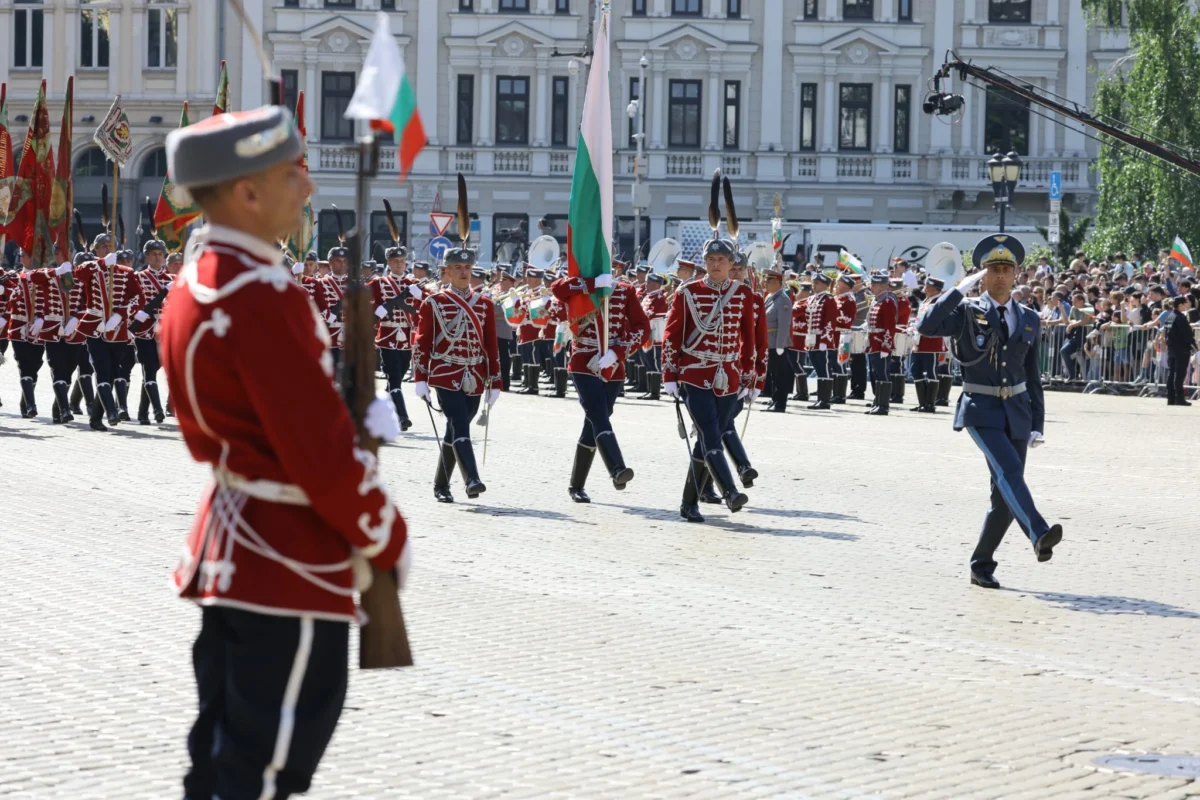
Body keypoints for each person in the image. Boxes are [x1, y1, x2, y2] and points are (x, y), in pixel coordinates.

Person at [157, 105, 410, 800]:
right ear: (246, 192)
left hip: (234, 545)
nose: (308, 189)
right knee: (263, 773)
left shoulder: (199, 282)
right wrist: (384, 535)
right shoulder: (263, 292)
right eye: (292, 173)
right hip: (289, 559)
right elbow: (318, 456)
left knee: (219, 764)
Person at [917, 234, 1062, 589]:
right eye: (993, 269)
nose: (1000, 275)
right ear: (982, 275)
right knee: (1010, 471)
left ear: (1016, 275)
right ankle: (1039, 532)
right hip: (980, 408)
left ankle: (981, 564)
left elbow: (1032, 374)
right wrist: (955, 291)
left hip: (1017, 411)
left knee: (1002, 497)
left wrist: (1038, 423)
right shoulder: (965, 311)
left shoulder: (1028, 317)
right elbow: (926, 326)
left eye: (1006, 269)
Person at [662, 235, 757, 523]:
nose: (715, 265)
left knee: (705, 442)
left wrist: (750, 378)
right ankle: (730, 492)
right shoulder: (687, 292)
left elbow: (748, 339)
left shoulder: (743, 294)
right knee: (711, 433)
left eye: (721, 260)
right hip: (694, 374)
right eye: (711, 260)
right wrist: (670, 375)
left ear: (731, 264)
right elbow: (671, 335)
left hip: (728, 377)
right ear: (705, 263)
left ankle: (688, 503)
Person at [411, 219, 502, 504]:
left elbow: (491, 346)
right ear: (447, 272)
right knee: (459, 424)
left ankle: (441, 484)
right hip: (444, 373)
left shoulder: (485, 304)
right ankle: (472, 479)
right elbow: (422, 341)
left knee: (454, 430)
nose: (464, 273)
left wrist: (495, 380)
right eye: (458, 269)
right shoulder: (434, 303)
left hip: (475, 374)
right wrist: (420, 378)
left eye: (467, 269)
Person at [550, 263, 649, 502]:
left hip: (613, 364)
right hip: (584, 360)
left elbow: (642, 327)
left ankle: (576, 485)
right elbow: (557, 289)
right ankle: (617, 469)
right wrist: (592, 285)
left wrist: (618, 351)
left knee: (593, 423)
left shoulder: (625, 291)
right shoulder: (578, 287)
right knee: (598, 413)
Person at [368, 245, 421, 431]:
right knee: (395, 378)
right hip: (387, 337)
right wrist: (378, 310)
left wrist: (421, 295)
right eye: (395, 261)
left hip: (407, 338)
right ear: (389, 263)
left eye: (402, 261)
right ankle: (402, 416)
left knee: (395, 379)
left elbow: (428, 305)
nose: (399, 264)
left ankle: (379, 411)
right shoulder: (378, 284)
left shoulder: (413, 283)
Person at [131, 239, 172, 424]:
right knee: (149, 369)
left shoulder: (172, 280)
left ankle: (142, 412)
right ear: (147, 256)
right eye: (154, 254)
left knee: (155, 369)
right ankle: (157, 410)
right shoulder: (139, 277)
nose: (158, 257)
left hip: (163, 332)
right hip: (145, 330)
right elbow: (133, 302)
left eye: (160, 254)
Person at [910, 277, 947, 412]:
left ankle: (930, 403)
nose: (924, 288)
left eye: (927, 285)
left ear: (934, 288)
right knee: (916, 370)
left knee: (931, 371)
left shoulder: (939, 301)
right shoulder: (927, 300)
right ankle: (922, 402)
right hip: (919, 340)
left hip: (931, 341)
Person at [864, 271, 897, 416]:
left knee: (883, 373)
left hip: (881, 343)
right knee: (876, 373)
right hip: (873, 342)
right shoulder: (877, 299)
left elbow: (890, 325)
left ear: (883, 286)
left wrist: (886, 344)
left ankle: (883, 405)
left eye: (875, 285)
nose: (872, 287)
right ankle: (877, 402)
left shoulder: (888, 301)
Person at [804, 272, 838, 409]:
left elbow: (829, 321)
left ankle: (825, 400)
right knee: (818, 369)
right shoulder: (812, 299)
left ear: (825, 285)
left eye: (817, 283)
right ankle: (820, 399)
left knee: (824, 369)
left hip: (822, 339)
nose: (814, 285)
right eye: (813, 282)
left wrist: (825, 340)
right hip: (812, 339)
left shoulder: (828, 299)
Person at [763, 263, 795, 412]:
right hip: (770, 342)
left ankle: (780, 403)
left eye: (768, 281)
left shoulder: (783, 299)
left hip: (777, 342)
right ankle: (775, 399)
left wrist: (781, 345)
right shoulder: (771, 297)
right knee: (773, 373)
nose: (765, 284)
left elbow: (784, 324)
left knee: (781, 374)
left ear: (776, 283)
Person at [1166, 295, 1197, 406]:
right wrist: (1195, 348)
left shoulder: (1170, 316)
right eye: (1185, 303)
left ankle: (1171, 398)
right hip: (1181, 350)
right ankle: (1179, 398)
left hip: (1172, 349)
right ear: (1180, 305)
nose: (1187, 305)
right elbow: (1187, 335)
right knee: (1180, 374)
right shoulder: (1181, 318)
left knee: (1171, 373)